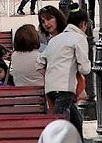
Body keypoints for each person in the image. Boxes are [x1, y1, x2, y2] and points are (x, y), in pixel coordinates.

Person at [36, 9, 91, 137]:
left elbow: (39, 62)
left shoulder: (55, 40)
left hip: (50, 88)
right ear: (83, 24)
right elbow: (85, 69)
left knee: (76, 119)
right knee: (60, 123)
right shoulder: (79, 38)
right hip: (65, 87)